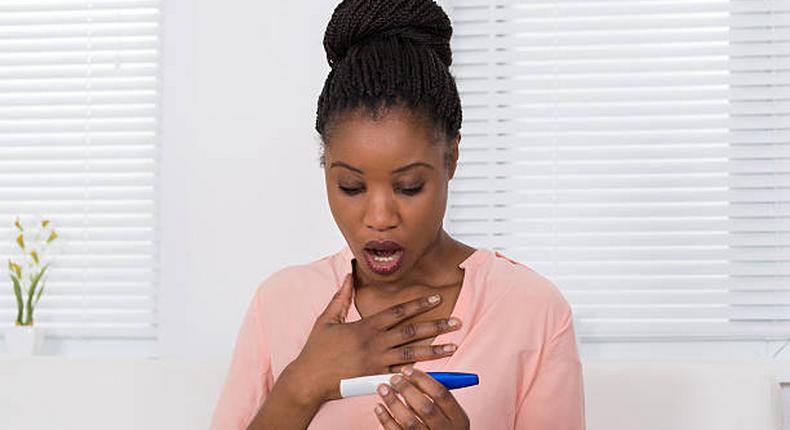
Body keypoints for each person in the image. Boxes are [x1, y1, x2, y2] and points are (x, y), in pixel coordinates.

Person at [209, 0, 586, 428]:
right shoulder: (279, 303)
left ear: (452, 158)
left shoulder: (531, 310)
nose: (380, 217)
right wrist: (302, 384)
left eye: (409, 187)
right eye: (350, 186)